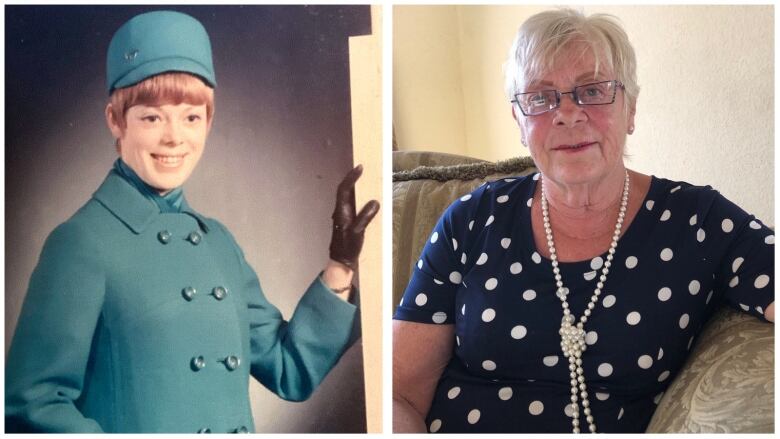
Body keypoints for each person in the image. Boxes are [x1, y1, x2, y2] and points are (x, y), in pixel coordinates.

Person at [393, 8, 773, 434]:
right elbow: (398, 393)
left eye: (593, 90)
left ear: (630, 109)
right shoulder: (470, 219)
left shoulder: (697, 221)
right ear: (519, 120)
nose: (568, 113)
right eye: (540, 97)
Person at [5, 10, 379, 433]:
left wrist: (340, 265)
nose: (174, 138)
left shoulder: (219, 243)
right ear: (115, 119)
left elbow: (288, 368)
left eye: (191, 117)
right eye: (151, 117)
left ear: (209, 122)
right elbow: (32, 404)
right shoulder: (79, 243)